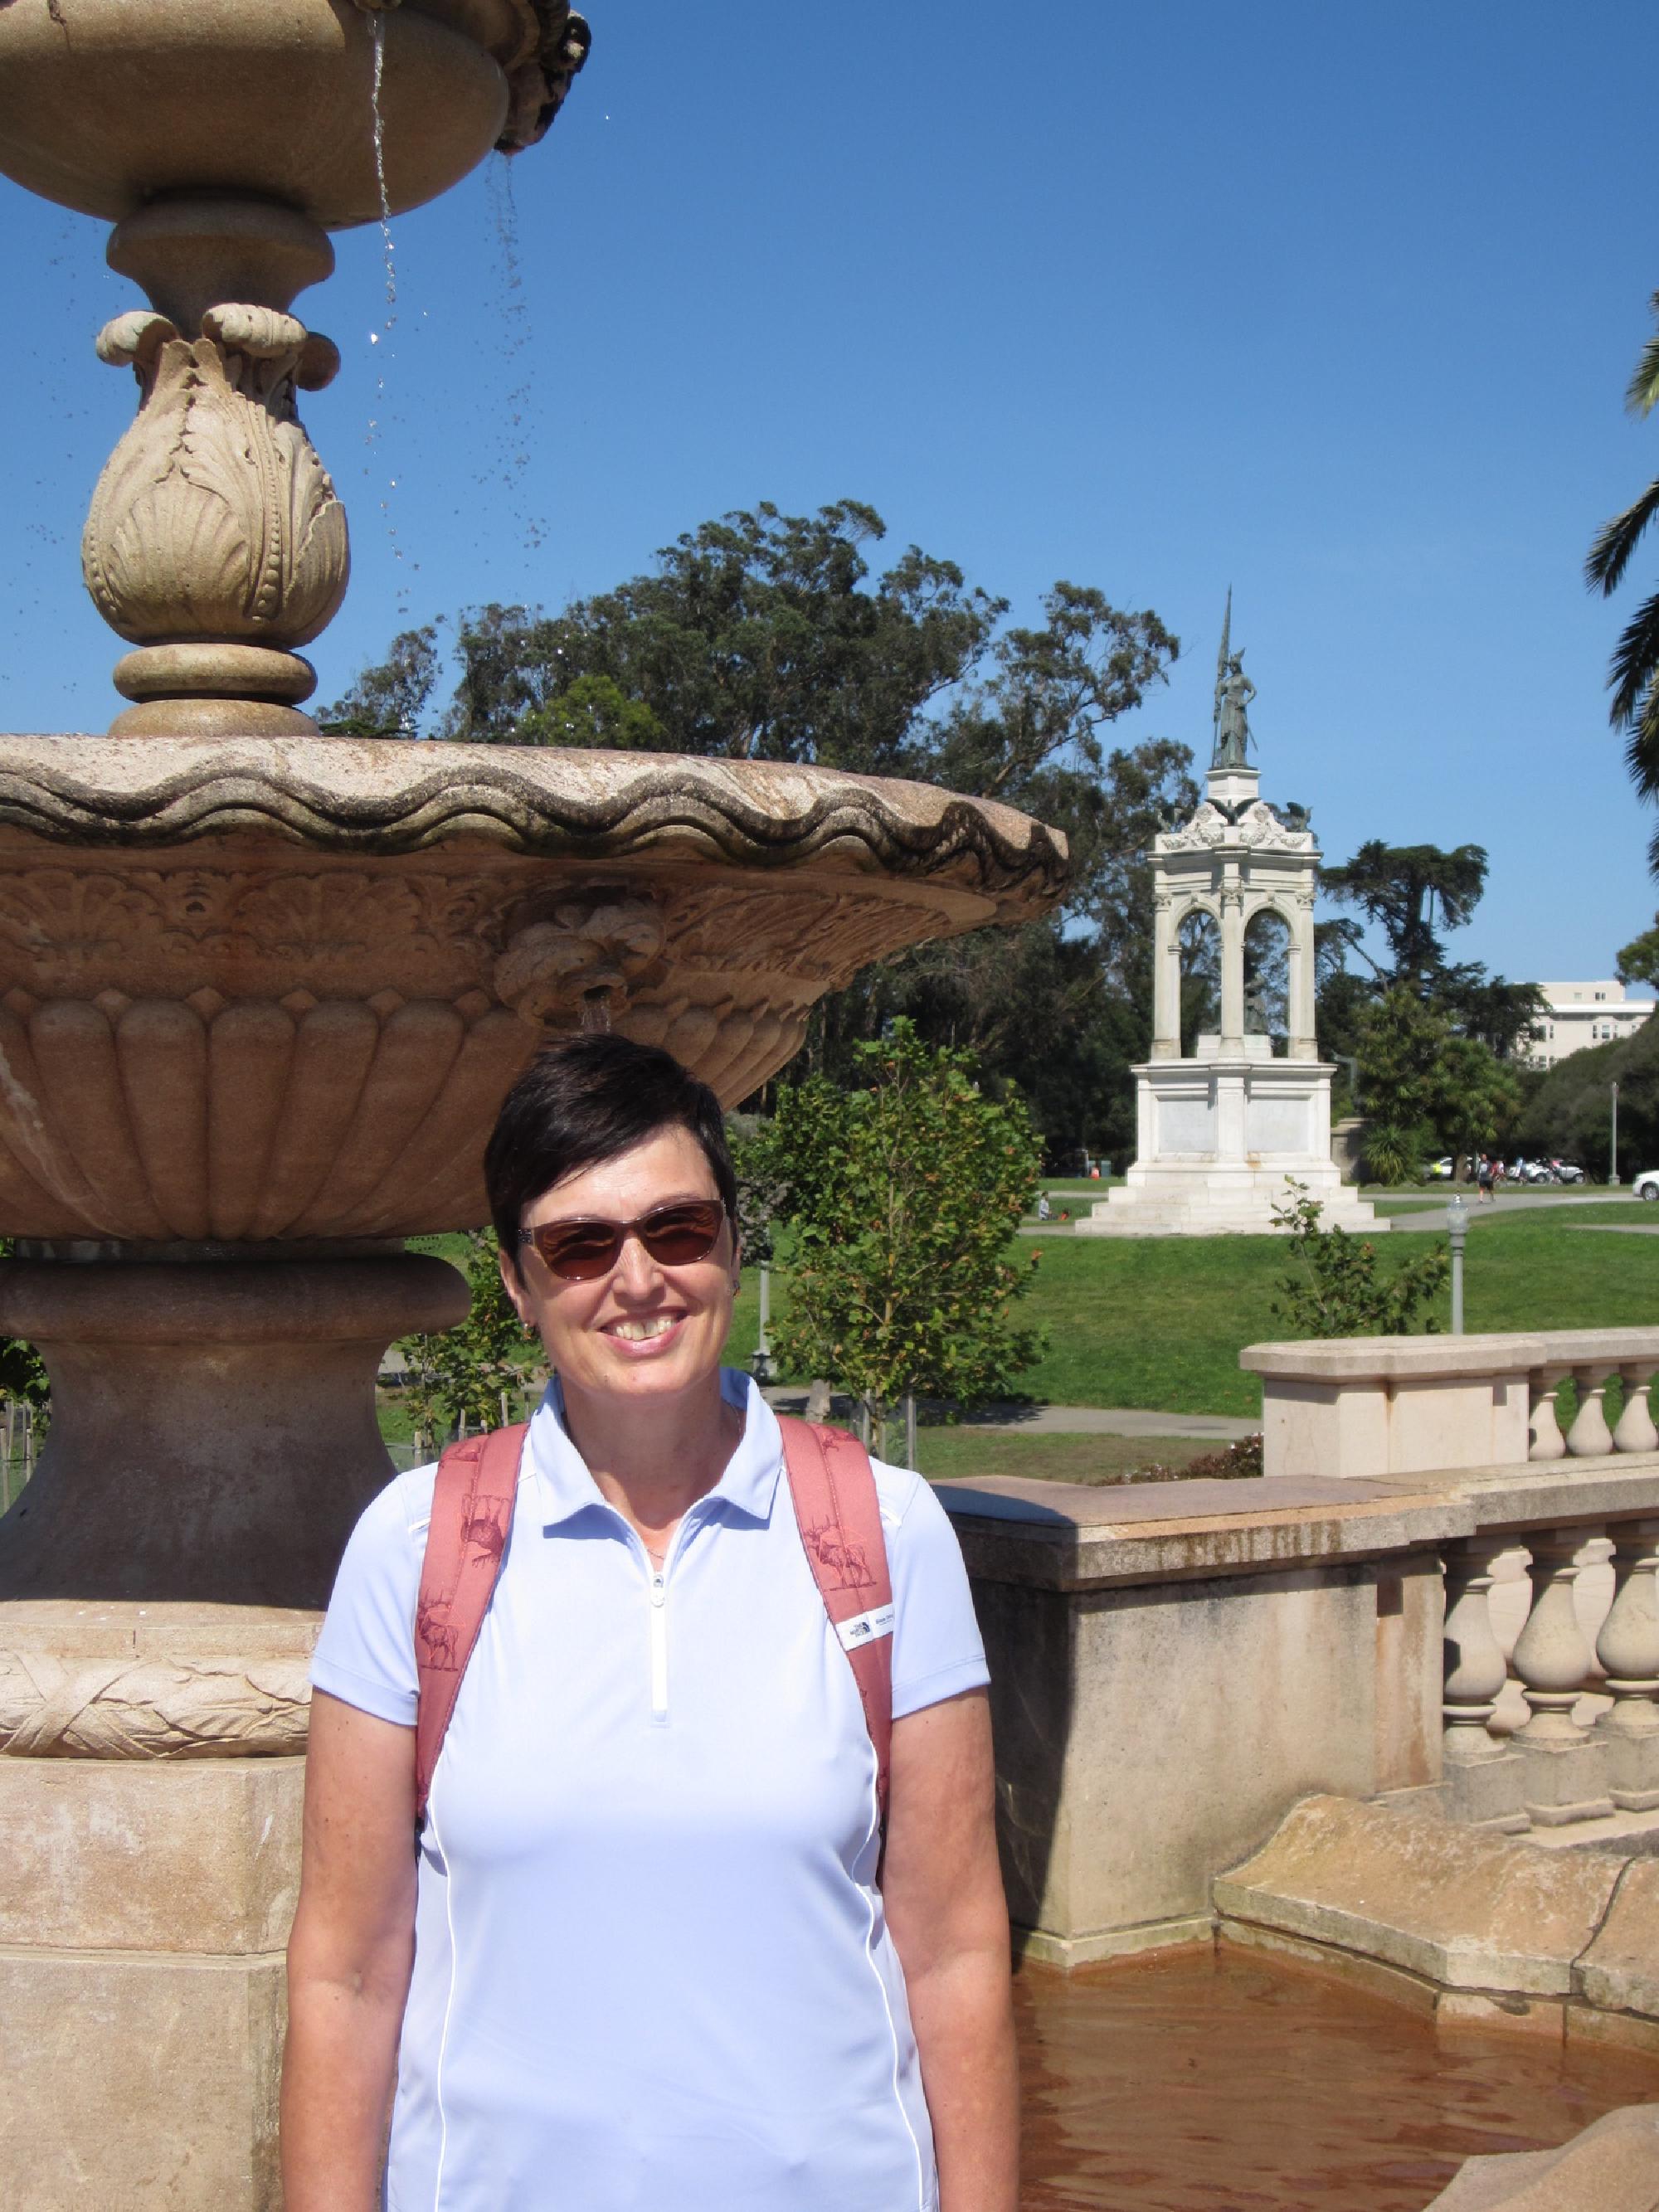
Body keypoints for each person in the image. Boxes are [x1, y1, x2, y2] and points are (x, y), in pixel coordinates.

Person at [281, 1033, 1019, 2212]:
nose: (638, 1281)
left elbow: (957, 1950)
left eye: (677, 1229)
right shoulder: (417, 1546)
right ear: (517, 1282)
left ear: (731, 1244)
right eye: (579, 1245)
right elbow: (348, 1972)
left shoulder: (886, 1532)